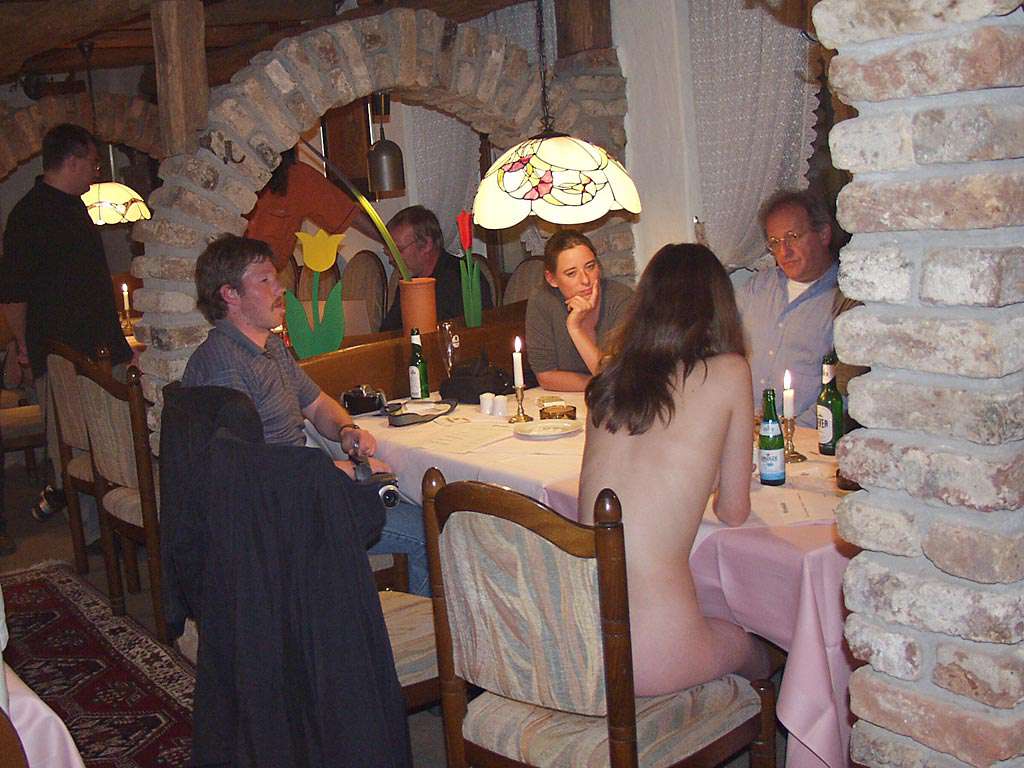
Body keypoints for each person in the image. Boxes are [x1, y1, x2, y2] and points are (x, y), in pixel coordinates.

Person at [181, 234, 430, 595]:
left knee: (404, 499)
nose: (280, 288)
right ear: (230, 294)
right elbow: (252, 473)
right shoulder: (223, 367)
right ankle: (396, 629)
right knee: (427, 531)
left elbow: (316, 404)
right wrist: (351, 471)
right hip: (278, 519)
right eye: (265, 280)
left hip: (303, 493)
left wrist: (346, 430)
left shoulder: (269, 347)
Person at [578, 243, 770, 696]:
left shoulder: (611, 378)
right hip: (655, 654)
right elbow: (734, 512)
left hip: (583, 643)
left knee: (708, 611)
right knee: (763, 653)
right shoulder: (730, 371)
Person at [0, 123, 133, 555]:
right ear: (72, 161)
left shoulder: (75, 206)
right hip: (59, 352)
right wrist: (23, 347)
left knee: (110, 440)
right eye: (92, 162)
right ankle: (93, 533)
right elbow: (13, 293)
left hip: (98, 348)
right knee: (72, 445)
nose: (96, 171)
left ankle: (116, 523)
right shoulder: (28, 215)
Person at [736, 190, 855, 427]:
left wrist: (794, 433)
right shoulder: (758, 288)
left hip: (804, 436)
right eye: (775, 242)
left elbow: (845, 390)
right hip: (744, 430)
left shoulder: (845, 300)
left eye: (792, 237)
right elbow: (721, 348)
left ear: (823, 234)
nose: (784, 251)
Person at [525, 230, 633, 391]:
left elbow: (619, 378)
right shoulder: (542, 301)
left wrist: (576, 329)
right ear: (551, 279)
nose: (585, 280)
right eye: (571, 273)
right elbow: (546, 376)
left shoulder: (622, 300)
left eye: (590, 267)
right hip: (575, 396)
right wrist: (599, 384)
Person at [245, 147, 379, 274]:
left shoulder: (298, 177)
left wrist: (390, 242)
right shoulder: (238, 170)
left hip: (265, 277)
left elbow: (351, 215)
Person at [380, 205, 493, 331]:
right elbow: (388, 331)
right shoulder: (409, 282)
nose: (391, 259)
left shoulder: (461, 279)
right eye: (388, 252)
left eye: (398, 250)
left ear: (427, 245)